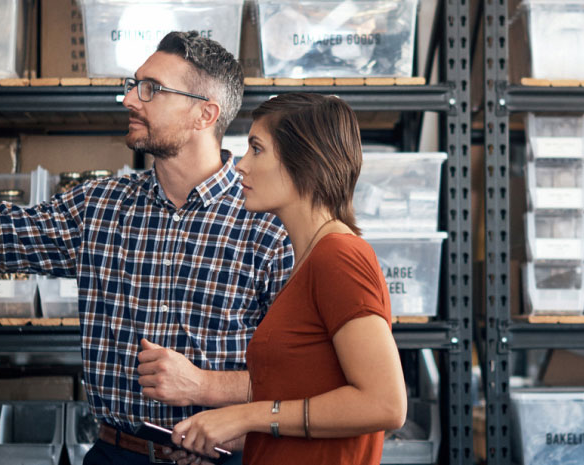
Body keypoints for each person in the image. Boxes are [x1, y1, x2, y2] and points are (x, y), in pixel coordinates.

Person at [0, 31, 291, 465]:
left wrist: (215, 401)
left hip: (225, 459)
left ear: (204, 114)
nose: (130, 101)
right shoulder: (99, 206)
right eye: (133, 85)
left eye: (151, 89)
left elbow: (307, 378)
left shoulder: (268, 224)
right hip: (115, 454)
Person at [169, 93, 408, 465]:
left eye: (256, 149)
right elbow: (311, 405)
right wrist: (232, 435)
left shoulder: (339, 258)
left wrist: (244, 414)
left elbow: (385, 404)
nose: (240, 166)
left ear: (304, 162)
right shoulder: (309, 259)